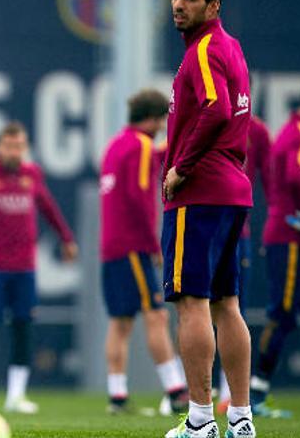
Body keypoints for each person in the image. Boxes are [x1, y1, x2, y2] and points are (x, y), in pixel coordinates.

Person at [161, 0, 255, 438]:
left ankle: (200, 420)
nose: (178, 4)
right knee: (227, 304)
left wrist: (182, 167)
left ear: (213, 6)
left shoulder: (203, 50)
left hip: (200, 192)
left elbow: (217, 109)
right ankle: (240, 418)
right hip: (233, 189)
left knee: (191, 302)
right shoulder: (232, 47)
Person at [0, 121, 78, 414]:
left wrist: (66, 238)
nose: (14, 151)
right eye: (9, 146)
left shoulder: (31, 174)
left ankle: (16, 395)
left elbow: (47, 206)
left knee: (23, 326)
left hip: (25, 266)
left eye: (20, 146)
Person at [98, 89, 188, 415]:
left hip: (111, 247)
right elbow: (139, 196)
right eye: (163, 121)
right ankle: (177, 390)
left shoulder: (116, 145)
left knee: (120, 323)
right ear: (152, 119)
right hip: (133, 245)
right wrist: (154, 245)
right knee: (157, 315)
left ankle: (117, 396)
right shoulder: (140, 145)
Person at [251, 74, 300, 417]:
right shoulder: (299, 134)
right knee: (281, 315)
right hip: (292, 240)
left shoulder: (299, 132)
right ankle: (255, 393)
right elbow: (296, 179)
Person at [216, 114, 271, 414]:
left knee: (230, 306)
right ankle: (206, 392)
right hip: (209, 223)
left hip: (235, 228)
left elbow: (270, 178)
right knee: (197, 306)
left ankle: (230, 393)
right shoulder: (210, 117)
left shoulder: (257, 130)